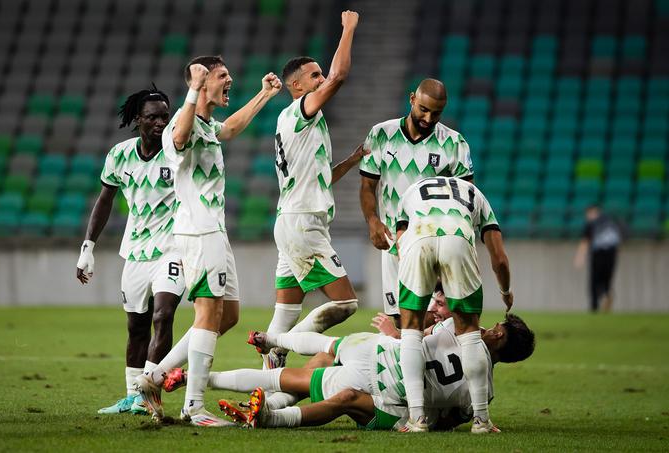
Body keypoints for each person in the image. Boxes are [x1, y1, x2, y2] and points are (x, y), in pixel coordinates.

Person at [134, 55, 282, 427]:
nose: (229, 79)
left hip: (214, 232)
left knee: (227, 316)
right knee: (207, 314)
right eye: (222, 75)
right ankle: (194, 407)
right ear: (202, 83)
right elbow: (180, 137)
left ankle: (152, 379)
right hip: (199, 233)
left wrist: (263, 95)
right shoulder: (178, 129)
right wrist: (193, 89)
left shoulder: (208, 126)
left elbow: (231, 127)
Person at [203, 313, 534, 430]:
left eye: (496, 327)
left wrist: (417, 416)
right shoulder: (482, 392)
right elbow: (454, 418)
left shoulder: (461, 333)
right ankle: (271, 348)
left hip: (394, 403)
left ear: (501, 335)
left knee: (340, 393)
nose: (490, 327)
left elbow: (446, 421)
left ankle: (269, 414)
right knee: (328, 351)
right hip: (381, 359)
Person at [262, 11, 362, 370]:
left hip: (290, 219)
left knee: (286, 311)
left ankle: (267, 388)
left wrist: (352, 161)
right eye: (313, 75)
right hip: (304, 224)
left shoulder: (292, 120)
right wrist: (348, 29)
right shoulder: (301, 112)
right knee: (346, 303)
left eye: (320, 73)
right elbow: (340, 76)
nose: (321, 79)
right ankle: (281, 345)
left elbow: (315, 177)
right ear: (298, 87)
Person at [76, 86, 184, 415]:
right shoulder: (120, 155)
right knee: (136, 327)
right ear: (138, 119)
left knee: (163, 315)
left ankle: (150, 391)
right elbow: (104, 201)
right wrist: (88, 247)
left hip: (174, 249)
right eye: (152, 117)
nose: (160, 122)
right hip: (136, 252)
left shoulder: (178, 151)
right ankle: (132, 397)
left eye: (165, 116)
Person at [393, 176, 512, 433]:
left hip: (417, 240)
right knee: (469, 334)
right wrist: (505, 291)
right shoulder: (475, 193)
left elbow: (400, 245)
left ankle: (416, 419)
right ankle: (481, 420)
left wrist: (423, 274)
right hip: (458, 238)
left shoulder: (411, 191)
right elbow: (499, 259)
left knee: (411, 331)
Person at [359, 79, 474, 324]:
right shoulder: (382, 134)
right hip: (393, 242)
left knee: (438, 319)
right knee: (400, 321)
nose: (429, 118)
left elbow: (467, 195)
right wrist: (372, 221)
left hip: (436, 243)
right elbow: (367, 186)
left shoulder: (454, 143)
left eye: (437, 113)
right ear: (412, 99)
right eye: (424, 109)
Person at [574, 205, 623, 312]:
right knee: (606, 280)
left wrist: (580, 257)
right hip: (612, 254)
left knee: (594, 281)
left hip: (598, 254)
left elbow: (585, 241)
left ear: (593, 212)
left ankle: (594, 306)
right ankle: (606, 294)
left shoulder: (591, 224)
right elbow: (618, 240)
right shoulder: (611, 222)